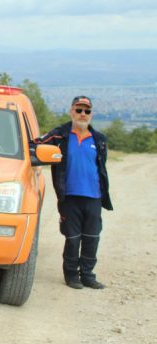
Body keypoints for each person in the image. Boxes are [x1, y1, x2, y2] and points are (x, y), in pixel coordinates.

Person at [35, 96, 113, 289]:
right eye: (79, 110)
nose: (82, 114)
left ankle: (87, 275)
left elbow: (101, 167)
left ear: (91, 114)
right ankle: (71, 276)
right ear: (71, 111)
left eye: (87, 111)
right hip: (69, 197)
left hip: (94, 197)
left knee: (92, 238)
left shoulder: (99, 139)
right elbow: (35, 145)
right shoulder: (59, 135)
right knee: (72, 239)